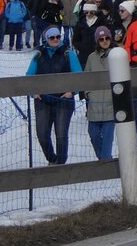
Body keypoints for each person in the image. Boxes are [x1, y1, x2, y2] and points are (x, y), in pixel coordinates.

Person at [26, 26, 82, 164]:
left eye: (58, 37)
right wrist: (34, 93)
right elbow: (28, 76)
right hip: (43, 99)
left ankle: (61, 164)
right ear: (46, 39)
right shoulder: (39, 55)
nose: (55, 39)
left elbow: (79, 75)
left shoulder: (68, 54)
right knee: (42, 134)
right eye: (52, 37)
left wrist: (72, 92)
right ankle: (52, 159)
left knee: (61, 135)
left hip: (63, 99)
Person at [82, 26, 116, 160]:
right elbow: (86, 77)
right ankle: (103, 160)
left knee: (108, 138)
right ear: (97, 41)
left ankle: (105, 163)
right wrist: (88, 93)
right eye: (101, 39)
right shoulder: (91, 57)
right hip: (95, 104)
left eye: (107, 38)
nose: (105, 41)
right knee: (93, 134)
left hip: (110, 103)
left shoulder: (116, 54)